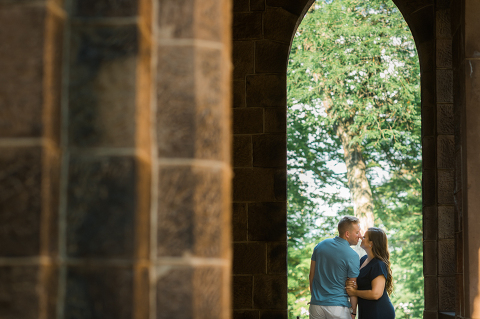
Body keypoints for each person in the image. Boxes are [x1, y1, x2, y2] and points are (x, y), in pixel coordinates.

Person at [309, 216, 362, 319]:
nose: (359, 236)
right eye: (357, 232)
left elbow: (311, 276)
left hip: (316, 306)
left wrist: (315, 297)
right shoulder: (353, 255)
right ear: (347, 234)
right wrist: (354, 311)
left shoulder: (319, 246)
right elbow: (352, 286)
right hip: (338, 308)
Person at [345, 227, 395, 319]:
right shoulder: (363, 259)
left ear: (371, 243)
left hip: (379, 312)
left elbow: (376, 294)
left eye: (364, 237)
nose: (360, 237)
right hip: (366, 311)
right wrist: (349, 282)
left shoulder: (378, 264)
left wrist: (354, 292)